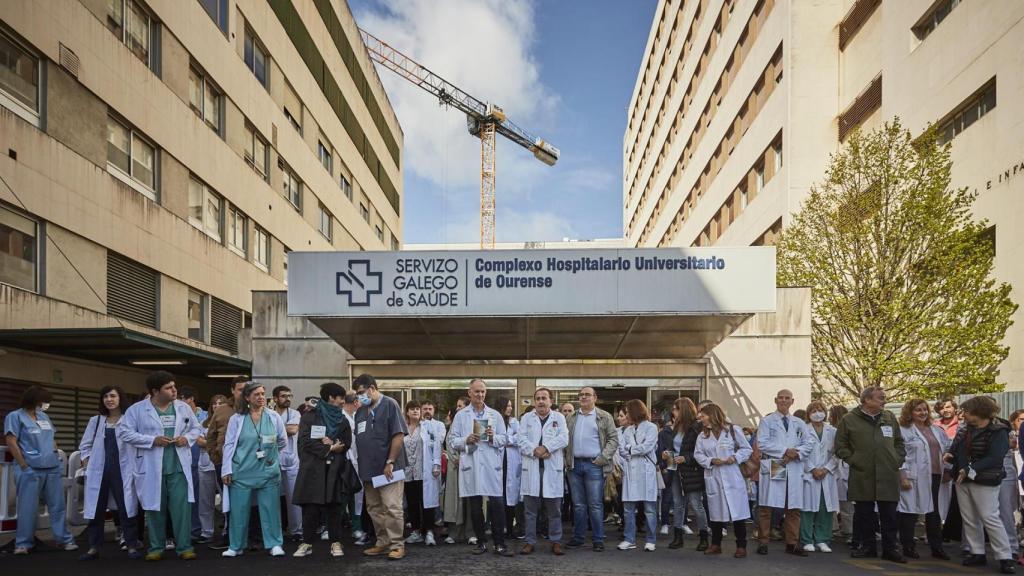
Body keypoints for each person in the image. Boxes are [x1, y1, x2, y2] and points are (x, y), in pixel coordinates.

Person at [118, 371, 202, 561]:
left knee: (181, 508)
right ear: (155, 391)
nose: (174, 390)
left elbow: (196, 428)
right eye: (169, 388)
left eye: (174, 386)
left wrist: (186, 439)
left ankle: (184, 547)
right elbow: (125, 433)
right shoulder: (137, 410)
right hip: (151, 466)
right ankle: (156, 547)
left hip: (178, 465)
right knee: (155, 508)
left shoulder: (182, 408)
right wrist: (152, 440)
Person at [835, 386, 906, 564]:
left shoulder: (889, 417)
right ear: (867, 400)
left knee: (889, 513)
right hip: (862, 473)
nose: (884, 401)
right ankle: (867, 547)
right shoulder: (849, 419)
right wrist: (854, 460)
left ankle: (891, 549)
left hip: (888, 473)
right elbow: (840, 445)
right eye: (881, 397)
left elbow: (899, 441)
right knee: (864, 513)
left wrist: (897, 459)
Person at [4, 385, 77, 555]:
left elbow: (51, 438)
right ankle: (23, 543)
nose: (46, 404)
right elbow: (11, 442)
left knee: (57, 506)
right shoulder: (15, 417)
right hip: (30, 469)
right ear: (35, 400)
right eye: (44, 401)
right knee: (27, 508)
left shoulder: (44, 416)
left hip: (51, 467)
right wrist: (23, 466)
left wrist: (56, 456)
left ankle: (64, 540)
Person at [946, 396, 1015, 574]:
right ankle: (977, 552)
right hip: (963, 479)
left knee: (989, 517)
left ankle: (1005, 556)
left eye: (967, 412)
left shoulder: (998, 430)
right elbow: (956, 449)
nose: (963, 415)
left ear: (979, 412)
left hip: (985, 479)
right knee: (969, 518)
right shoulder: (965, 430)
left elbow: (995, 456)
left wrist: (970, 469)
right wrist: (950, 456)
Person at [220, 381, 288, 557]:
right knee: (239, 510)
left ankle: (274, 543)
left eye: (262, 393)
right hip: (242, 471)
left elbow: (282, 441)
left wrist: (271, 457)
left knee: (270, 509)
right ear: (247, 397)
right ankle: (236, 546)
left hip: (267, 470)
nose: (261, 397)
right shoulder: (237, 419)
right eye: (256, 394)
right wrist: (226, 470)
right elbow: (229, 445)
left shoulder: (273, 416)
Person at [449, 378, 513, 556]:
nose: (480, 394)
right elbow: (453, 440)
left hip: (491, 466)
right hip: (472, 463)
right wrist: (466, 440)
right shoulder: (461, 416)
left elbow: (505, 439)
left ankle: (500, 544)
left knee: (497, 504)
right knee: (475, 506)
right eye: (476, 391)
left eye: (483, 391)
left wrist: (493, 437)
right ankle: (481, 542)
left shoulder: (495, 415)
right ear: (469, 393)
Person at [78, 385, 141, 560]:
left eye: (113, 396)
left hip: (123, 470)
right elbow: (85, 445)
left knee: (126, 508)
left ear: (120, 398)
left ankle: (131, 545)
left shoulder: (129, 420)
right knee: (95, 509)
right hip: (99, 471)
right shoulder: (96, 421)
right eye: (105, 396)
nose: (109, 399)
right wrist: (87, 461)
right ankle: (93, 548)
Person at [292, 382, 353, 558]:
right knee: (311, 508)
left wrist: (335, 446)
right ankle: (307, 542)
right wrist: (328, 447)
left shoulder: (342, 419)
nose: (343, 401)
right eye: (341, 397)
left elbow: (346, 443)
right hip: (313, 469)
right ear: (331, 398)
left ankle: (335, 542)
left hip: (335, 469)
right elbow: (305, 442)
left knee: (334, 507)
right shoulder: (310, 416)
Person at [353, 374, 409, 560]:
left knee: (392, 506)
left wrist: (390, 461)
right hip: (369, 469)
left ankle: (397, 545)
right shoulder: (361, 411)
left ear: (372, 388)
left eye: (361, 392)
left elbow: (398, 435)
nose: (359, 396)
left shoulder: (390, 404)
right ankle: (382, 542)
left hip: (388, 468)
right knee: (374, 508)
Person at [756, 389, 815, 557]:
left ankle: (792, 543)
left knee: (793, 507)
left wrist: (796, 453)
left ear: (792, 401)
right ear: (775, 400)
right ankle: (763, 542)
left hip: (794, 466)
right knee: (768, 506)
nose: (783, 400)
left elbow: (809, 443)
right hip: (777, 464)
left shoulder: (799, 422)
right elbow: (762, 443)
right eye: (780, 398)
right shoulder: (767, 421)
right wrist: (785, 451)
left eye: (787, 398)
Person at [894, 398, 951, 560]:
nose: (923, 413)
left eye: (925, 409)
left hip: (935, 476)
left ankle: (937, 547)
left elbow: (946, 450)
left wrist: (947, 470)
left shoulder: (936, 430)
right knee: (909, 512)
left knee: (934, 513)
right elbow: (899, 455)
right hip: (913, 476)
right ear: (909, 412)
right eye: (918, 410)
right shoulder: (903, 430)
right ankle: (908, 546)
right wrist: (902, 475)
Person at [694, 403, 752, 558]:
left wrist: (735, 457)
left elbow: (747, 449)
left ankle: (741, 546)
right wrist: (712, 460)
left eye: (704, 415)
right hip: (714, 475)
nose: (701, 418)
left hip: (732, 475)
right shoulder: (703, 435)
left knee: (738, 513)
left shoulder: (732, 430)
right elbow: (698, 455)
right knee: (716, 513)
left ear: (713, 415)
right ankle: (716, 544)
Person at [565, 386, 620, 551]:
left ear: (595, 398)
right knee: (578, 505)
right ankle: (579, 537)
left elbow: (613, 439)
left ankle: (598, 539)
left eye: (587, 395)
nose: (584, 397)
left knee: (595, 504)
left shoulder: (604, 416)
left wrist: (603, 458)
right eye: (581, 395)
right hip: (574, 465)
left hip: (594, 465)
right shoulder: (571, 417)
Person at [518, 388, 569, 555]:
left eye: (544, 398)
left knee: (554, 509)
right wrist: (535, 450)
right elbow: (521, 438)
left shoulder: (559, 417)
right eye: (538, 398)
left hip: (551, 469)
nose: (541, 401)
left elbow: (564, 438)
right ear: (534, 402)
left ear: (550, 400)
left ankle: (556, 541)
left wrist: (547, 447)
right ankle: (530, 542)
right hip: (532, 467)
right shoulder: (527, 418)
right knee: (530, 509)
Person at [204, 376, 249, 550]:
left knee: (247, 501)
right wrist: (215, 458)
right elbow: (211, 436)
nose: (243, 393)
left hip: (247, 465)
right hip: (223, 464)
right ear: (232, 390)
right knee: (227, 500)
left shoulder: (254, 409)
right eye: (240, 389)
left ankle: (248, 535)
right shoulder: (222, 410)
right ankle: (229, 534)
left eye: (247, 389)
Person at [663, 397, 710, 551]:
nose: (673, 412)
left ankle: (704, 537)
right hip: (676, 470)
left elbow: (701, 451)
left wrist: (686, 458)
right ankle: (678, 537)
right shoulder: (675, 428)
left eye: (675, 409)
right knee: (678, 504)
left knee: (696, 504)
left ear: (682, 410)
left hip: (691, 471)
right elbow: (674, 448)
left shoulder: (696, 428)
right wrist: (666, 455)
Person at [617, 399, 659, 552]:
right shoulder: (627, 430)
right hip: (631, 470)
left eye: (627, 411)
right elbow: (621, 450)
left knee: (649, 508)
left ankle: (651, 539)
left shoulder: (651, 427)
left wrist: (630, 449)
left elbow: (647, 447)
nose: (626, 414)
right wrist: (632, 449)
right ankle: (629, 539)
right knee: (628, 508)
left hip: (646, 471)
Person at [799, 401, 838, 554]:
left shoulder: (833, 431)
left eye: (820, 410)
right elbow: (800, 452)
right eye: (814, 410)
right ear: (808, 414)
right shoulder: (803, 430)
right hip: (809, 474)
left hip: (826, 475)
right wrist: (813, 469)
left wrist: (826, 469)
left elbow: (837, 453)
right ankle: (807, 540)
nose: (817, 413)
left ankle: (822, 540)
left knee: (825, 509)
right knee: (808, 508)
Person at [403, 401, 442, 546]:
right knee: (412, 502)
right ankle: (416, 531)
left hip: (424, 470)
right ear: (407, 412)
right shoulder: (403, 427)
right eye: (412, 409)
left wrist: (436, 464)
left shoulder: (427, 426)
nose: (415, 411)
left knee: (427, 502)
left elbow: (436, 445)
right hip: (408, 472)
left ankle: (429, 532)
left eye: (417, 409)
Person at [273, 386, 303, 542]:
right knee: (273, 499)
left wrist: (274, 430)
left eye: (289, 395)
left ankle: (296, 530)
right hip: (272, 462)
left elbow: (293, 430)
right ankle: (276, 530)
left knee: (293, 498)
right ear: (275, 398)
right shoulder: (268, 414)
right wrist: (282, 430)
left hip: (291, 461)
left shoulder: (295, 413)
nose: (287, 398)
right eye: (283, 396)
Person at [197, 394, 227, 545]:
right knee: (205, 500)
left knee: (225, 499)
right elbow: (198, 440)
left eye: (221, 403)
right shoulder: (203, 423)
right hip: (205, 464)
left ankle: (227, 530)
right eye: (214, 403)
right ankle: (206, 531)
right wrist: (214, 443)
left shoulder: (228, 421)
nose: (217, 405)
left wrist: (209, 442)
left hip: (221, 464)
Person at [443, 397, 472, 544]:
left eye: (460, 406)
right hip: (455, 467)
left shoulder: (473, 422)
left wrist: (465, 458)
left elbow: (477, 443)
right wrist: (455, 459)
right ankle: (454, 532)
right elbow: (450, 443)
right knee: (455, 501)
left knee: (471, 500)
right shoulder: (455, 423)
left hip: (471, 467)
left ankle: (471, 532)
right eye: (457, 406)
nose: (457, 409)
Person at [495, 397, 524, 540]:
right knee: (499, 497)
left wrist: (506, 440)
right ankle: (499, 528)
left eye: (511, 406)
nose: (510, 408)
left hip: (511, 462)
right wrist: (507, 439)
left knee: (510, 499)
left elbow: (520, 438)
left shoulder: (515, 422)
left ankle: (510, 529)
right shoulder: (494, 420)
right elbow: (492, 439)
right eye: (507, 406)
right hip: (498, 462)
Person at [342, 392, 368, 545]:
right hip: (345, 460)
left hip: (358, 460)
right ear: (355, 402)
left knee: (358, 494)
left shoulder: (357, 416)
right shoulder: (341, 416)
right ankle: (330, 528)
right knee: (343, 494)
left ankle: (356, 526)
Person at [420, 399, 448, 539]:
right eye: (424, 408)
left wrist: (429, 427)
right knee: (419, 498)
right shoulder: (417, 425)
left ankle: (432, 527)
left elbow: (439, 440)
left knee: (432, 497)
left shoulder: (440, 425)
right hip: (419, 467)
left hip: (433, 466)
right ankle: (419, 528)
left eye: (430, 408)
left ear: (434, 410)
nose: (427, 411)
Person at [828, 405, 853, 542]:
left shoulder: (847, 431)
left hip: (843, 469)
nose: (829, 417)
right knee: (833, 502)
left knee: (845, 503)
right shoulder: (829, 431)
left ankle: (847, 531)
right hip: (833, 469)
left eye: (831, 414)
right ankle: (836, 529)